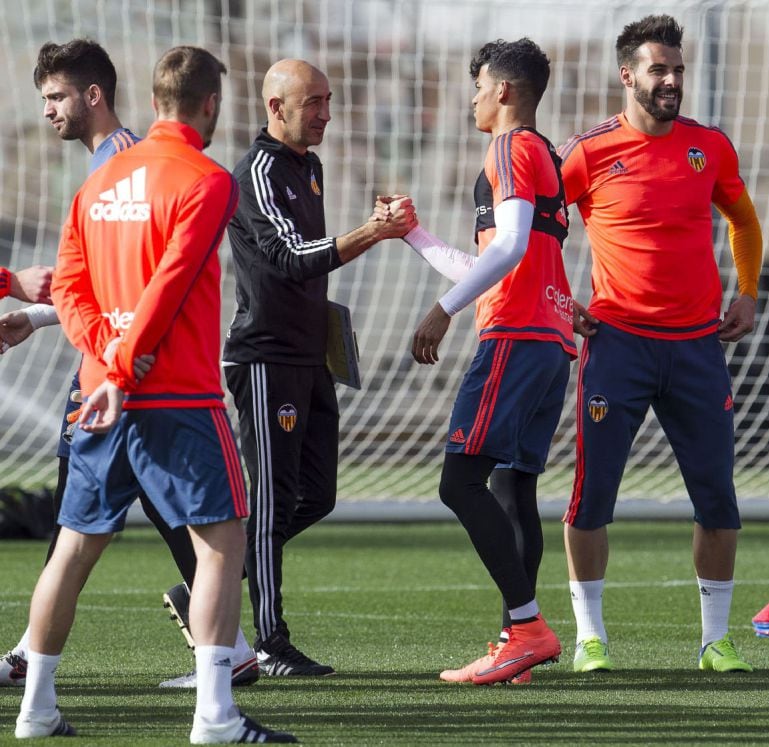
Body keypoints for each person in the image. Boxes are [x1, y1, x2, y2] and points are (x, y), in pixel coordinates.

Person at [13, 45, 295, 743]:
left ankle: (35, 709)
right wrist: (127, 367)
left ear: (146, 96)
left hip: (97, 395)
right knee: (224, 544)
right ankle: (215, 715)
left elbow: (72, 289)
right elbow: (169, 284)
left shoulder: (98, 182)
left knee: (71, 549)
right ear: (209, 104)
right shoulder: (205, 178)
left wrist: (103, 360)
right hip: (174, 396)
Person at [559, 14, 761, 674]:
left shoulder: (711, 147)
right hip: (617, 345)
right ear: (628, 76)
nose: (671, 80)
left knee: (718, 496)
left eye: (678, 70)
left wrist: (749, 292)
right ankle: (591, 637)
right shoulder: (588, 153)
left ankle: (715, 640)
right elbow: (536, 227)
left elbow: (744, 220)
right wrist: (563, 301)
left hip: (699, 347)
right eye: (658, 70)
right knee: (593, 497)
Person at [391, 38, 576, 686]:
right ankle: (516, 645)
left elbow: (512, 250)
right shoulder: (543, 153)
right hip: (550, 339)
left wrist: (440, 310)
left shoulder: (509, 146)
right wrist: (414, 234)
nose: (471, 98)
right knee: (511, 486)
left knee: (458, 482)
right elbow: (492, 262)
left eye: (477, 86)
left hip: (517, 338)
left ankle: (525, 627)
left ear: (504, 91)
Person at [223, 58, 416, 676]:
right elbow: (286, 257)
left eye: (328, 101)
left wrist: (368, 230)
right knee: (274, 500)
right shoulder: (254, 171)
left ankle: (208, 585)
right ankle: (268, 643)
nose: (326, 114)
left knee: (319, 496)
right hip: (265, 357)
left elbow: (309, 256)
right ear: (275, 107)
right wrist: (371, 232)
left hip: (310, 355)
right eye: (314, 103)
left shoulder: (310, 168)